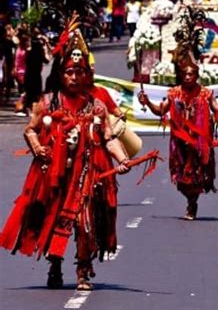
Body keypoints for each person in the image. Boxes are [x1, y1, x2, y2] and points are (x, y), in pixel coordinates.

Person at [0, 21, 130, 291]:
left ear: (86, 75)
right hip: (55, 176)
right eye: (69, 72)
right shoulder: (47, 103)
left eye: (79, 72)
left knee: (85, 223)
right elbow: (31, 131)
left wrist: (122, 159)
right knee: (54, 221)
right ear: (61, 74)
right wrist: (38, 148)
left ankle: (83, 271)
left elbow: (107, 138)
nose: (74, 77)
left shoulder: (96, 106)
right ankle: (55, 266)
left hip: (87, 173)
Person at [138, 60, 218, 220]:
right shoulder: (173, 93)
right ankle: (190, 199)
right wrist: (148, 102)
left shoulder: (206, 93)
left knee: (197, 176)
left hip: (199, 143)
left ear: (197, 76)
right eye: (185, 74)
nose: (188, 77)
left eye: (191, 74)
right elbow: (161, 110)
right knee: (181, 179)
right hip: (179, 143)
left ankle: (192, 204)